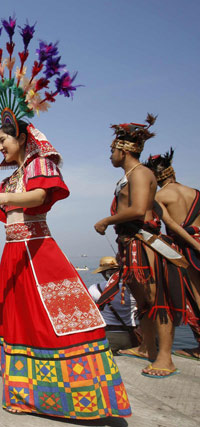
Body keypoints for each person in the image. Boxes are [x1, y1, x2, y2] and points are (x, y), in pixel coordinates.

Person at [0, 18, 130, 419]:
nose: (0, 145)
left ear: (21, 136)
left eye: (3, 139)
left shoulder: (39, 165)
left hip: (40, 253)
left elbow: (40, 196)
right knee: (19, 322)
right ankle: (26, 397)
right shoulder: (10, 179)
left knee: (57, 321)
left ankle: (79, 397)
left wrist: (4, 195)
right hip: (13, 255)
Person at [94, 115, 194, 378]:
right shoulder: (131, 175)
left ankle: (165, 358)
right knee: (143, 301)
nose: (110, 156)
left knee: (156, 300)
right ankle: (146, 347)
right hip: (130, 243)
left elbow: (139, 210)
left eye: (112, 150)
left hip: (144, 244)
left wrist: (107, 220)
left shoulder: (141, 173)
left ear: (123, 150)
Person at [145, 149, 200, 359]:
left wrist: (193, 246)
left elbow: (170, 224)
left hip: (185, 249)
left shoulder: (159, 196)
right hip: (198, 240)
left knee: (194, 296)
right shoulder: (195, 192)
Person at [88, 257, 138, 352]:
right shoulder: (132, 288)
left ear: (103, 273)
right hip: (131, 335)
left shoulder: (95, 288)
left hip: (108, 335)